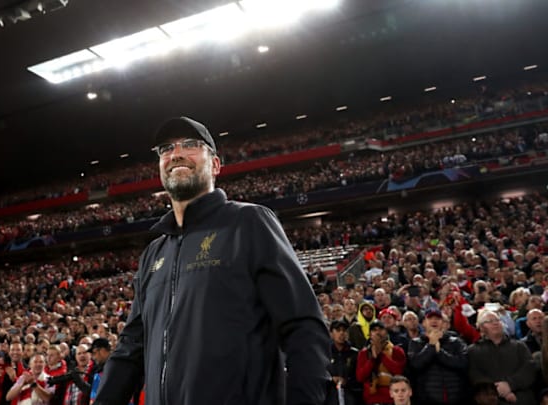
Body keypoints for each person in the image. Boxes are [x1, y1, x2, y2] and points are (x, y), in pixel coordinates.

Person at [94, 116, 330, 405]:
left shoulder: (248, 223)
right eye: (166, 148)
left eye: (191, 145)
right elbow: (130, 349)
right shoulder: (154, 254)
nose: (176, 153)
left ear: (216, 165)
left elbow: (303, 327)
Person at [468, 309, 535, 405]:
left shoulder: (519, 346)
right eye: (490, 321)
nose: (495, 323)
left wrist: (510, 385)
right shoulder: (473, 350)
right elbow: (475, 375)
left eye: (497, 320)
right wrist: (497, 390)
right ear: (481, 327)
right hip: (489, 400)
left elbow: (529, 369)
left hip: (520, 398)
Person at [406, 308, 468, 405]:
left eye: (438, 319)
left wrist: (439, 352)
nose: (434, 321)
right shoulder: (415, 343)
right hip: (427, 399)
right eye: (430, 318)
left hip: (455, 397)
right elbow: (415, 365)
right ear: (423, 323)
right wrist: (431, 346)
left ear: (443, 323)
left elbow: (462, 363)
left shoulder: (456, 342)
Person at [356, 320, 407, 405]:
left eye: (381, 329)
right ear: (369, 334)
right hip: (372, 399)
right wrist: (373, 359)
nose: (378, 332)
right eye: (374, 330)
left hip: (393, 399)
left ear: (386, 332)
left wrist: (381, 355)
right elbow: (360, 377)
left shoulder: (397, 350)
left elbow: (399, 372)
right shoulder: (364, 353)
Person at [326, 320, 361, 405]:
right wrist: (331, 379)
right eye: (338, 330)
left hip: (350, 396)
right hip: (328, 396)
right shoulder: (324, 352)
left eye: (344, 330)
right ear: (331, 333)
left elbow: (359, 378)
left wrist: (347, 381)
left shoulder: (355, 353)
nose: (342, 333)